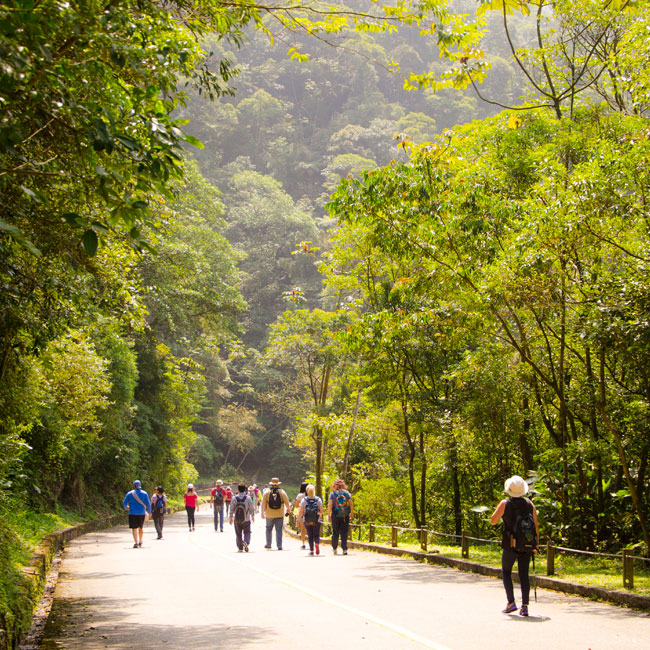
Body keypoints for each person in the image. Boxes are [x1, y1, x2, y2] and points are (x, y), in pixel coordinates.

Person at [490, 475, 540, 617]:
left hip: (510, 544)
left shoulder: (505, 504)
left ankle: (511, 603)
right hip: (527, 544)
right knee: (524, 574)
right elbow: (535, 525)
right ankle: (525, 606)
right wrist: (535, 544)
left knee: (506, 572)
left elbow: (493, 521)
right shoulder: (530, 504)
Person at [260, 477, 291, 550]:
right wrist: (288, 510)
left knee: (268, 529)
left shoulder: (267, 492)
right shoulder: (282, 492)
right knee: (279, 529)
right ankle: (279, 545)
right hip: (279, 514)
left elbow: (263, 504)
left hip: (269, 514)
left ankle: (268, 544)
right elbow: (287, 503)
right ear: (278, 484)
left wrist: (262, 513)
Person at [327, 478, 354, 555]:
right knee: (344, 532)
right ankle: (344, 549)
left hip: (335, 515)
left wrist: (328, 515)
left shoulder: (332, 494)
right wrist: (351, 512)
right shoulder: (346, 493)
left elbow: (330, 505)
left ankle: (334, 548)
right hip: (345, 515)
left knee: (335, 532)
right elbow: (351, 503)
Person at [123, 479, 151, 548]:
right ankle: (140, 540)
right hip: (141, 513)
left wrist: (127, 507)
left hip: (132, 513)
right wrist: (150, 512)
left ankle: (136, 543)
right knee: (140, 527)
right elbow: (148, 504)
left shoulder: (129, 493)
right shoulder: (144, 493)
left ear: (134, 486)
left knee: (134, 528)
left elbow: (124, 503)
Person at [297, 484, 323, 555]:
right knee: (316, 534)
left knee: (310, 535)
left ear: (307, 491)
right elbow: (321, 510)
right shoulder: (318, 499)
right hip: (316, 520)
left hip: (307, 520)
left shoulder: (304, 500)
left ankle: (311, 550)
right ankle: (317, 543)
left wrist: (298, 520)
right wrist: (319, 516)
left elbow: (301, 511)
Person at [229, 482, 255, 552]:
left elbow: (231, 509)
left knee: (238, 533)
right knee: (247, 532)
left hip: (237, 519)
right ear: (245, 490)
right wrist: (253, 517)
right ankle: (246, 542)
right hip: (246, 519)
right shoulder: (248, 498)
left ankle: (240, 548)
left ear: (238, 489)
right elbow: (252, 508)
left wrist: (230, 518)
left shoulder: (234, 498)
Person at [294, 481, 308, 549]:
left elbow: (296, 506)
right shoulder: (311, 495)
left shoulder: (300, 496)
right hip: (310, 514)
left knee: (303, 529)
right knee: (311, 529)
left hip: (302, 514)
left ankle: (303, 543)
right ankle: (313, 542)